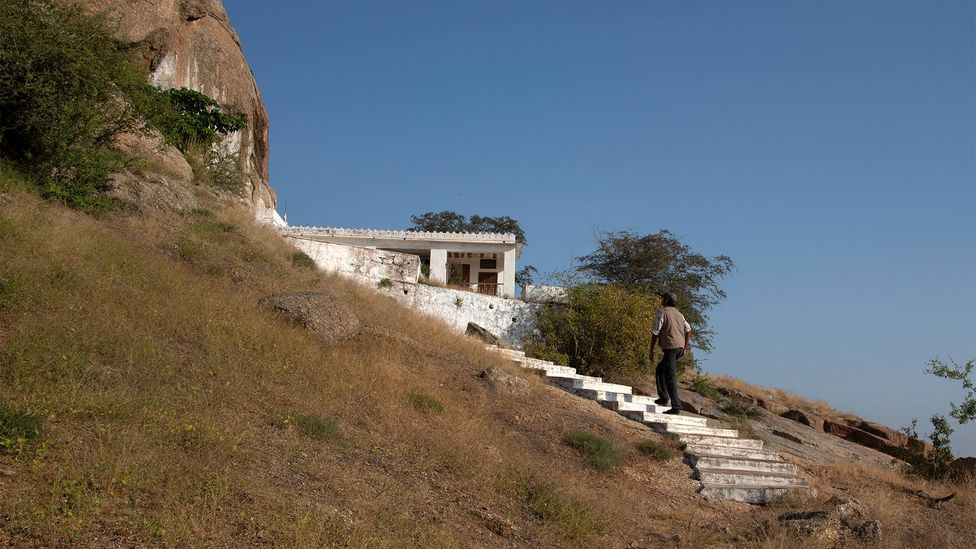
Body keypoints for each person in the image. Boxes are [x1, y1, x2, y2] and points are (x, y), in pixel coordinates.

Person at [649, 292, 691, 415]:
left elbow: (656, 332)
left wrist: (651, 350)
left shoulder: (662, 312)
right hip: (679, 348)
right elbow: (688, 330)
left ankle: (676, 406)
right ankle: (663, 397)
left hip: (671, 349)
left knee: (670, 376)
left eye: (663, 298)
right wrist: (685, 346)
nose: (662, 300)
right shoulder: (680, 314)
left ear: (666, 300)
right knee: (660, 370)